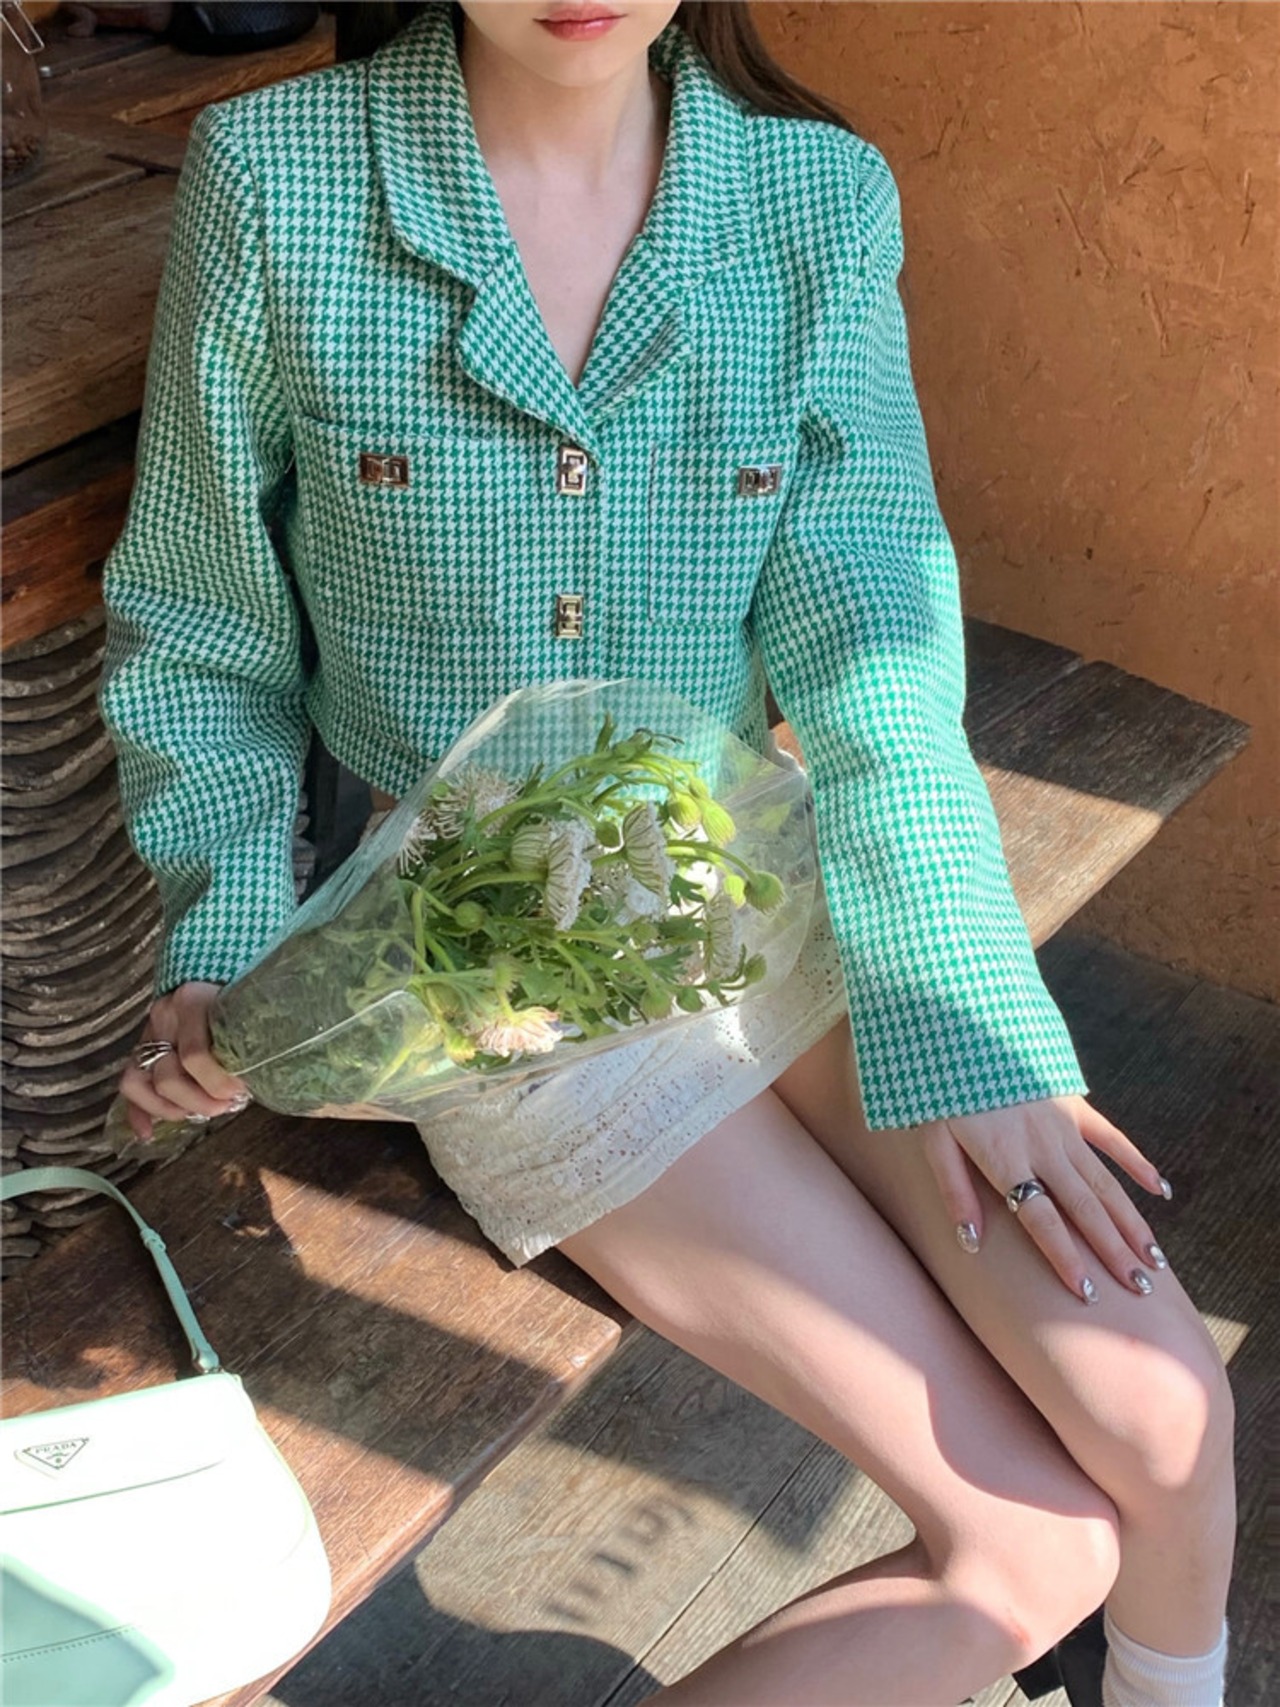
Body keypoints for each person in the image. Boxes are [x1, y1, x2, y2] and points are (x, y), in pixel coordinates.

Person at [99, 4, 1235, 1703]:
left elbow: (874, 650)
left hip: (737, 866)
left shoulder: (815, 199)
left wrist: (972, 1028)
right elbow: (203, 635)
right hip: (469, 961)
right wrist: (232, 945)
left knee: (1169, 1422)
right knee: (1034, 1545)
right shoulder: (281, 179)